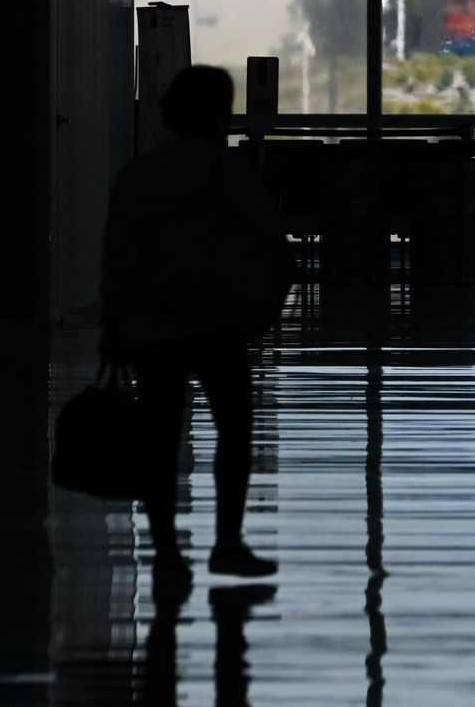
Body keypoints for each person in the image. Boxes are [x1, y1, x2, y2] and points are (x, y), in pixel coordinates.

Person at [100, 64, 283, 598]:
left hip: (152, 325)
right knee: (234, 430)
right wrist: (261, 306)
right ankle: (227, 542)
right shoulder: (226, 173)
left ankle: (165, 553)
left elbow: (118, 256)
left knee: (159, 439)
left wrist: (114, 323)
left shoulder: (138, 175)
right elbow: (270, 239)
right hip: (217, 322)